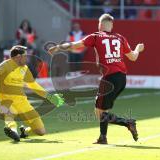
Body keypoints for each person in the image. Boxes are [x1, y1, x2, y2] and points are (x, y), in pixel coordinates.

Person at [48, 13, 144, 144]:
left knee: (99, 111)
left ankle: (127, 123)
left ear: (100, 25)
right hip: (122, 78)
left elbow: (76, 45)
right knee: (102, 109)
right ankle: (103, 137)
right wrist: (138, 48)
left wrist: (58, 47)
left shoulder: (96, 36)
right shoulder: (120, 38)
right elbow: (133, 57)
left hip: (109, 78)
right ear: (112, 25)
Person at [0, 45, 65, 142]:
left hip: (22, 102)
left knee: (41, 131)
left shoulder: (25, 68)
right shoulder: (6, 65)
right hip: (7, 101)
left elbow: (33, 85)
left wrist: (50, 97)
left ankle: (24, 132)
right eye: (25, 56)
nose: (26, 58)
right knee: (10, 114)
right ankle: (11, 130)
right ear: (18, 56)